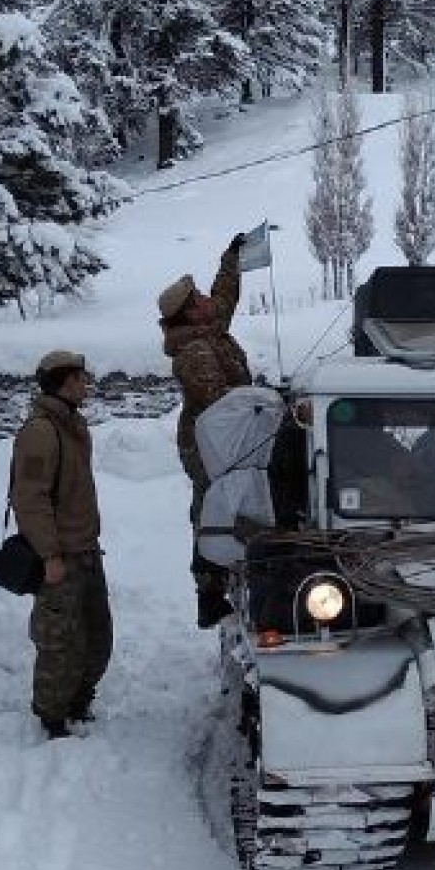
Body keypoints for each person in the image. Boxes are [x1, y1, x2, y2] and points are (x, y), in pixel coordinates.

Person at [11, 351, 113, 740]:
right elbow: (30, 498)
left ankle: (78, 701)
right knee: (58, 639)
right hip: (61, 555)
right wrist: (49, 554)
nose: (87, 385)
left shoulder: (72, 424)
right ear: (65, 381)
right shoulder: (41, 431)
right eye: (82, 378)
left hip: (86, 550)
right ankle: (52, 716)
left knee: (97, 635)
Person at [161, 235, 252, 628]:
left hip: (226, 438)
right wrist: (259, 400)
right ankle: (209, 591)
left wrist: (230, 259)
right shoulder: (194, 351)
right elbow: (219, 400)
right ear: (189, 313)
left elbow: (224, 298)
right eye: (197, 297)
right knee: (211, 508)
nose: (204, 299)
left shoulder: (206, 330)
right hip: (207, 445)